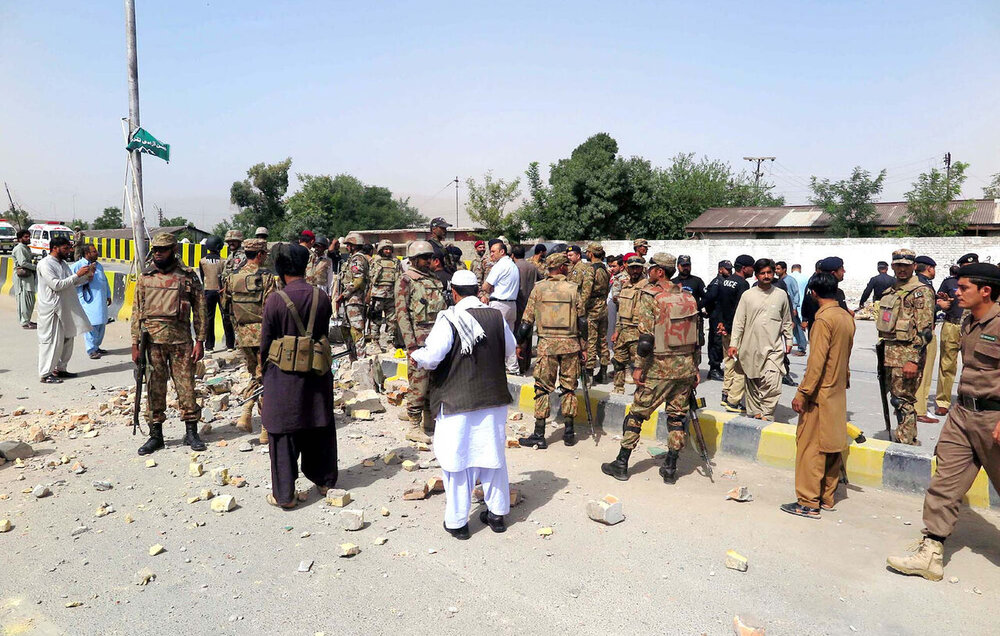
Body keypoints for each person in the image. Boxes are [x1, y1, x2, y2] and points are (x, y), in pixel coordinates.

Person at [886, 262, 1000, 581]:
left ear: (985, 291)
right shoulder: (967, 320)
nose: (956, 292)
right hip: (963, 414)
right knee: (945, 482)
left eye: (963, 288)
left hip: (994, 417)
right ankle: (931, 552)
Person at [411, 270, 515, 539]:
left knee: (457, 461)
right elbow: (509, 349)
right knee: (492, 458)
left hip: (456, 401)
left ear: (454, 293)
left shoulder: (449, 317)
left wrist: (416, 356)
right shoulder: (496, 316)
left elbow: (433, 356)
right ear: (477, 291)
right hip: (493, 400)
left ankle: (458, 523)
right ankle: (497, 515)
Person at [601, 253, 699, 482]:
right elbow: (697, 338)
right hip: (685, 367)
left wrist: (638, 367)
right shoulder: (688, 298)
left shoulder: (651, 296)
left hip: (659, 368)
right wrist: (695, 367)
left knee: (636, 414)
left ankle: (622, 463)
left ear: (659, 271)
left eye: (651, 268)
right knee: (677, 417)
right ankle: (670, 468)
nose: (648, 271)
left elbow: (645, 339)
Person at [260, 243, 337, 509]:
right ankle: (325, 481)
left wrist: (264, 373)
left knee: (283, 432)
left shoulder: (275, 300)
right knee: (319, 423)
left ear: (281, 269)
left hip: (283, 377)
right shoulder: (321, 296)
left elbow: (265, 342)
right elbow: (323, 331)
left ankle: (285, 495)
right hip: (317, 372)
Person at [781, 273, 855, 518]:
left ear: (813, 293)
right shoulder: (845, 317)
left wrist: (803, 393)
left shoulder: (823, 320)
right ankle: (827, 498)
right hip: (837, 391)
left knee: (810, 449)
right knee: (832, 447)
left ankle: (808, 502)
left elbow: (817, 362)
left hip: (820, 394)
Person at [132, 233, 207, 455]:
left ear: (174, 250)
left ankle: (191, 431)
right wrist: (135, 344)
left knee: (186, 387)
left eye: (162, 249)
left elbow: (200, 310)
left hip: (181, 341)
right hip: (152, 342)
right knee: (154, 388)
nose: (158, 253)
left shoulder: (188, 276)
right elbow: (137, 312)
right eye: (155, 249)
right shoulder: (146, 277)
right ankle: (156, 435)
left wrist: (200, 340)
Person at [516, 253, 585, 448]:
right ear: (562, 268)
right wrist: (585, 346)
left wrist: (519, 344)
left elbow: (526, 322)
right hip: (570, 345)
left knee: (542, 388)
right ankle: (569, 432)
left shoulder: (539, 289)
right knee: (569, 387)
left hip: (547, 346)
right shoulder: (573, 289)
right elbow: (582, 320)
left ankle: (539, 434)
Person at [876, 249, 935, 446]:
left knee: (903, 401)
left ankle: (907, 444)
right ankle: (901, 438)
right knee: (895, 399)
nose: (902, 269)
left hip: (907, 356)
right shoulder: (891, 290)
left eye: (906, 265)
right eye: (898, 265)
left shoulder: (921, 291)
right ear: (892, 266)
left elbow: (925, 331)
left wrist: (913, 360)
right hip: (889, 354)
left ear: (914, 266)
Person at [224, 239, 278, 442]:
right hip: (263, 334)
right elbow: (271, 308)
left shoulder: (232, 277)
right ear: (260, 254)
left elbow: (226, 307)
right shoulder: (266, 277)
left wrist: (239, 330)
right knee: (266, 378)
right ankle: (263, 425)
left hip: (243, 335)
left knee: (255, 373)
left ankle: (248, 413)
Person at [727, 258, 793, 420]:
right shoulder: (748, 295)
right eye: (762, 273)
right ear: (756, 275)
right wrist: (734, 344)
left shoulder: (781, 295)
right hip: (750, 348)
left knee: (772, 384)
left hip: (773, 349)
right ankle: (756, 414)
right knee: (753, 383)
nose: (766, 276)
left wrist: (789, 340)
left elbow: (786, 320)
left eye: (769, 272)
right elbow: (739, 322)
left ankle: (767, 414)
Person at [396, 240, 448, 443]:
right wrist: (411, 345)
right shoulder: (406, 280)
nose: (429, 261)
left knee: (433, 382)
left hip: (435, 339)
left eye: (430, 257)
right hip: (418, 341)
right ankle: (413, 426)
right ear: (414, 259)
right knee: (418, 383)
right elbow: (402, 315)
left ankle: (429, 419)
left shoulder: (434, 279)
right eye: (424, 258)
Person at [36, 236, 94, 383]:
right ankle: (45, 374)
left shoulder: (62, 264)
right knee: (52, 342)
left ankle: (61, 369)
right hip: (52, 309)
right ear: (55, 248)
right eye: (65, 248)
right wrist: (77, 275)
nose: (69, 251)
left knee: (68, 339)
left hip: (66, 307)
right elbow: (56, 285)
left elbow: (71, 282)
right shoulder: (45, 264)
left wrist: (87, 276)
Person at [718, 255, 754, 411]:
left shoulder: (725, 281)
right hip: (736, 330)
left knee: (728, 362)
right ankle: (733, 399)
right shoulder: (743, 284)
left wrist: (721, 323)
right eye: (752, 267)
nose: (753, 270)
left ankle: (725, 393)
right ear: (744, 268)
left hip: (725, 327)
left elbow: (720, 304)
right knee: (739, 365)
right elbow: (741, 310)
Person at [480, 239, 520, 375]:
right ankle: (512, 367)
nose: (491, 254)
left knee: (494, 336)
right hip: (512, 305)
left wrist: (488, 290)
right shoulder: (513, 265)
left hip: (499, 304)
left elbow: (486, 286)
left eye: (493, 251)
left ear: (502, 251)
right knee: (509, 338)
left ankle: (496, 367)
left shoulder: (499, 266)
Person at [610, 255, 647, 393]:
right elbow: (621, 311)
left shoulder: (647, 287)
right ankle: (618, 388)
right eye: (632, 268)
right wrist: (616, 331)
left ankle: (641, 393)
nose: (635, 271)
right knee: (618, 362)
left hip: (638, 332)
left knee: (640, 365)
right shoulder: (625, 286)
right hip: (623, 331)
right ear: (627, 269)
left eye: (638, 268)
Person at [914, 256, 942, 424]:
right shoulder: (924, 285)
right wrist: (940, 306)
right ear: (929, 268)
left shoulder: (913, 282)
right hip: (925, 333)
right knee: (925, 373)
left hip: (915, 333)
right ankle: (920, 409)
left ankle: (913, 406)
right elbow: (926, 310)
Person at [72, 244, 111, 359]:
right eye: (94, 252)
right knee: (91, 325)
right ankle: (91, 350)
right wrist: (87, 274)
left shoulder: (99, 266)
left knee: (101, 323)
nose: (97, 253)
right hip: (88, 300)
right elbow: (71, 281)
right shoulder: (78, 266)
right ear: (87, 253)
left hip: (101, 299)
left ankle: (96, 346)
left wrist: (108, 295)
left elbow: (104, 281)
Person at [934, 264, 963, 416]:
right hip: (952, 324)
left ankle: (967, 400)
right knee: (947, 364)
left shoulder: (979, 282)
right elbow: (939, 300)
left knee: (974, 365)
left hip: (972, 326)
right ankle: (943, 401)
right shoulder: (949, 282)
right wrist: (943, 302)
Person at [581, 242, 611, 383]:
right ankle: (603, 372)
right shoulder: (605, 269)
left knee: (591, 341)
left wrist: (580, 309)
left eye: (587, 252)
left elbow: (586, 293)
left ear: (591, 253)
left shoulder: (591, 270)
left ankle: (589, 374)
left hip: (592, 309)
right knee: (602, 340)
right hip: (603, 308)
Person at [335, 232, 369, 351]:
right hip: (349, 300)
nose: (347, 247)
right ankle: (352, 355)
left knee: (356, 330)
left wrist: (343, 295)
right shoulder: (353, 258)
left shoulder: (358, 259)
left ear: (354, 245)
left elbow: (358, 280)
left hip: (355, 300)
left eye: (349, 245)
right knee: (345, 328)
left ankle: (361, 356)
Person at [701, 260, 733, 380]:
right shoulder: (716, 282)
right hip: (717, 316)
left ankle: (717, 367)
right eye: (727, 269)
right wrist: (708, 311)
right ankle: (714, 368)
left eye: (730, 269)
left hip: (723, 316)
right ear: (720, 269)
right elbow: (709, 298)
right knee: (716, 342)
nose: (729, 271)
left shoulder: (726, 282)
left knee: (721, 342)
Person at [367, 239, 400, 350]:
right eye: (385, 249)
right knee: (376, 320)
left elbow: (399, 277)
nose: (388, 251)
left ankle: (390, 342)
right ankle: (375, 341)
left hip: (391, 295)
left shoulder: (396, 262)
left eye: (389, 249)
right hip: (378, 295)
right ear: (381, 250)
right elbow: (369, 278)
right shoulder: (375, 261)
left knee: (392, 320)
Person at [512, 244, 539, 375]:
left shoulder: (514, 267)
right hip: (531, 303)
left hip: (518, 303)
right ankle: (527, 363)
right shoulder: (533, 267)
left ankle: (520, 365)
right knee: (528, 334)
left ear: (513, 255)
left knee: (518, 335)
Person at [199, 236, 225, 351]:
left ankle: (209, 345)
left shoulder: (202, 261)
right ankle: (230, 344)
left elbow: (202, 277)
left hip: (208, 291)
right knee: (225, 317)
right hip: (221, 292)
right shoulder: (223, 261)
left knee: (209, 319)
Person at [220, 230, 245, 350]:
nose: (231, 243)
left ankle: (241, 348)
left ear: (239, 241)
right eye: (229, 241)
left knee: (237, 321)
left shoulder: (241, 256)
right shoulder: (232, 255)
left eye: (233, 241)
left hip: (237, 294)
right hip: (229, 293)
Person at [774, 261, 804, 357]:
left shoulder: (790, 280)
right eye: (775, 269)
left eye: (778, 269)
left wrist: (794, 307)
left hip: (791, 308)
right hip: (782, 307)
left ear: (784, 269)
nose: (776, 271)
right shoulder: (777, 281)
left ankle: (802, 347)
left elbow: (796, 293)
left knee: (797, 328)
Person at [12, 229, 37, 329]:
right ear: (20, 239)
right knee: (25, 299)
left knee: (30, 299)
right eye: (26, 237)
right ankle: (25, 322)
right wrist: (36, 267)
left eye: (29, 237)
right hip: (22, 278)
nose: (28, 238)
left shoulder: (25, 248)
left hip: (28, 276)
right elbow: (22, 263)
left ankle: (27, 320)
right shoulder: (19, 248)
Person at [788, 264, 810, 355]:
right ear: (800, 270)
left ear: (791, 269)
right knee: (799, 324)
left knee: (793, 324)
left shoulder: (789, 278)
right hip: (802, 302)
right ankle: (800, 342)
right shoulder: (806, 278)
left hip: (792, 304)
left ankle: (795, 341)